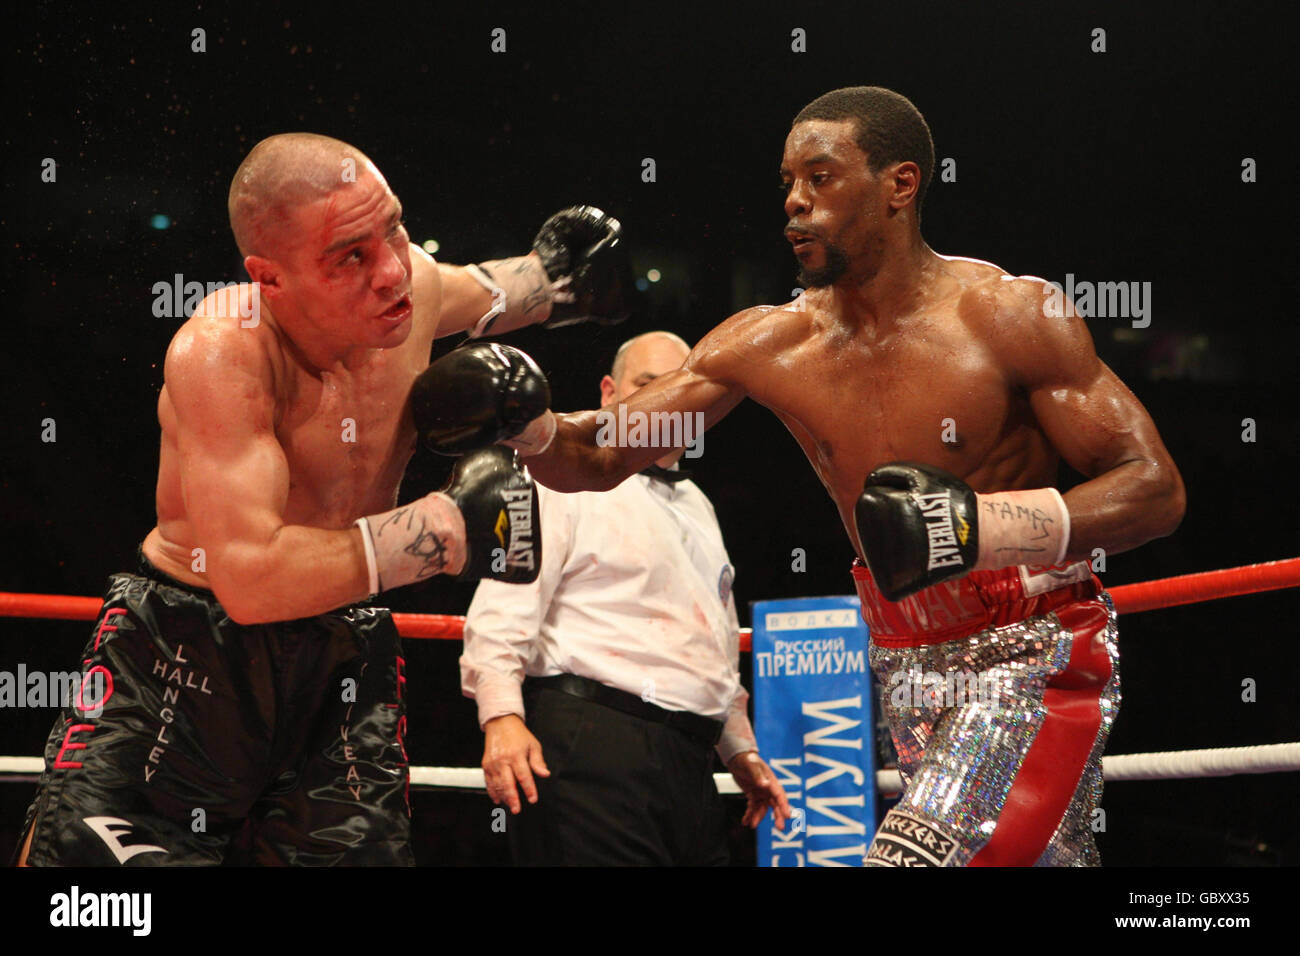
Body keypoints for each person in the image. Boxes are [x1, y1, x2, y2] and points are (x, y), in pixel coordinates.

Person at [455, 87, 1186, 866]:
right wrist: (521, 422)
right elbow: (603, 452)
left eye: (821, 177)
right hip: (903, 661)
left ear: (900, 185)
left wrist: (981, 527)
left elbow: (1153, 487)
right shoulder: (774, 341)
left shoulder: (1007, 316)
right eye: (787, 183)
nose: (795, 204)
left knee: (915, 857)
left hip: (1029, 649)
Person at [15, 132, 628, 866]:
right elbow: (250, 579)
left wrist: (563, 278)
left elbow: (497, 288)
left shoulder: (414, 286)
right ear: (270, 280)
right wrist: (445, 528)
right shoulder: (225, 351)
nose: (392, 271)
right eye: (350, 257)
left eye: (394, 228)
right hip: (185, 652)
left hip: (342, 649)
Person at [460, 331, 791, 865]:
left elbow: (713, 642)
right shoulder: (556, 472)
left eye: (679, 389)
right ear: (610, 394)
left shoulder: (699, 505)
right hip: (592, 743)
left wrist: (740, 749)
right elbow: (505, 602)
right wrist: (501, 717)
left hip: (688, 762)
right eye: (647, 385)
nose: (665, 403)